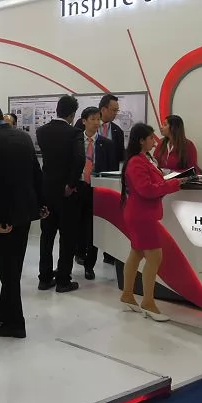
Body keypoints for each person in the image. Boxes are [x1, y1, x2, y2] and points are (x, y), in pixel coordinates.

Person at [0, 99, 45, 339]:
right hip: (24, 212)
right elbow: (36, 172)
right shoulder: (22, 136)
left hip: (4, 217)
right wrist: (42, 204)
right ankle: (4, 309)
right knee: (13, 266)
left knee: (8, 271)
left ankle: (15, 323)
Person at [119, 123, 185, 322]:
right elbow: (146, 189)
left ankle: (127, 294)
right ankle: (148, 302)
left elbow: (152, 184)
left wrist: (166, 181)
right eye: (150, 138)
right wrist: (173, 184)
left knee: (137, 253)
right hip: (142, 215)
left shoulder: (145, 159)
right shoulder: (136, 162)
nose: (154, 141)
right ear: (141, 140)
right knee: (155, 257)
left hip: (141, 214)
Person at [36, 95, 83, 293]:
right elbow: (79, 159)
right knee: (67, 237)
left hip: (47, 190)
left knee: (46, 236)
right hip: (66, 193)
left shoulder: (41, 131)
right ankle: (63, 280)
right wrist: (71, 184)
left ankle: (45, 278)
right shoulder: (75, 133)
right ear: (73, 114)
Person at [77, 107, 104, 279]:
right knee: (75, 225)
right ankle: (76, 254)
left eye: (98, 119)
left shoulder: (105, 144)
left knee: (93, 228)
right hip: (78, 187)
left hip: (96, 188)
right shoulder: (75, 141)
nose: (96, 122)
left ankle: (90, 265)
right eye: (92, 119)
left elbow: (109, 169)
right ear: (84, 121)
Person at [95, 94, 124, 171]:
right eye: (114, 110)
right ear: (103, 110)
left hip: (110, 174)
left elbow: (120, 156)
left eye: (117, 110)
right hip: (90, 173)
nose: (116, 113)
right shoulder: (87, 125)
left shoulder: (118, 131)